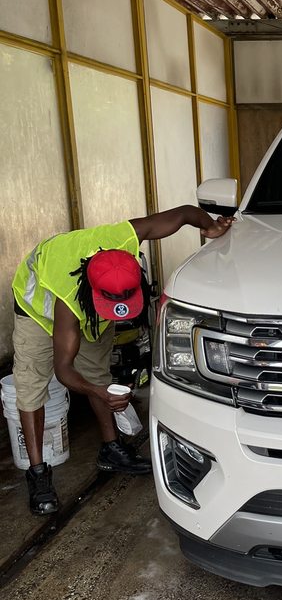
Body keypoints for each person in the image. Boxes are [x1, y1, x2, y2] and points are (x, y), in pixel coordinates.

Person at [11, 205, 233, 515]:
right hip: (35, 309)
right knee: (31, 385)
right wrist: (96, 392)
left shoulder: (125, 238)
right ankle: (37, 474)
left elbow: (183, 213)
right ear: (92, 295)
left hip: (88, 303)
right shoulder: (67, 301)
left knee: (97, 372)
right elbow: (63, 369)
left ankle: (111, 449)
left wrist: (210, 226)